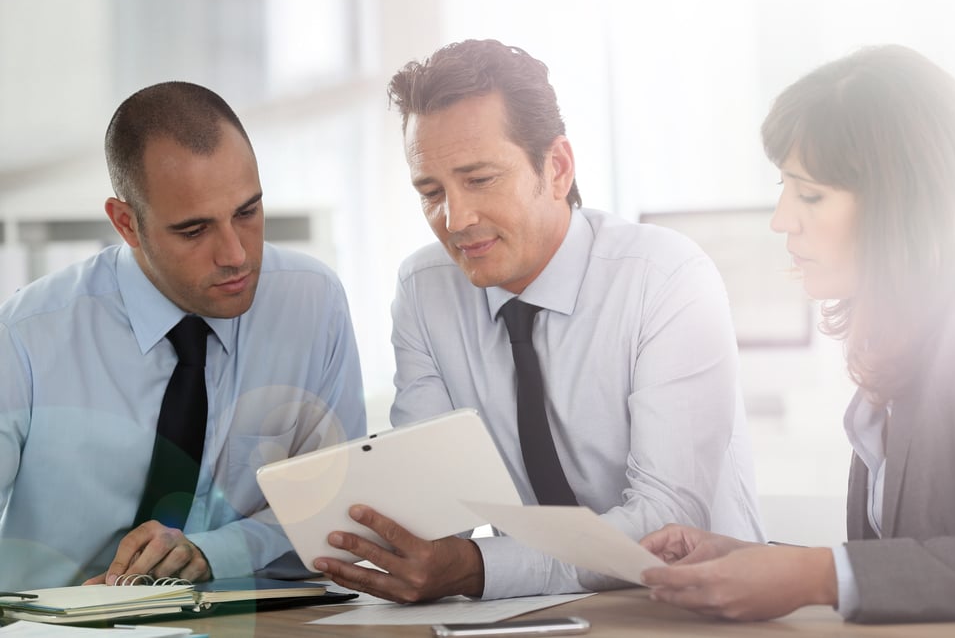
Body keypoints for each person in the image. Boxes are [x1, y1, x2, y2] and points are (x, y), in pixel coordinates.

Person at [314, 38, 763, 603]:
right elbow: (428, 506)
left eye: (479, 179)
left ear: (556, 168)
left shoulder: (666, 277)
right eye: (431, 191)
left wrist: (478, 568)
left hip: (691, 608)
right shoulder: (424, 290)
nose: (455, 219)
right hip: (531, 611)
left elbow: (666, 520)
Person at [640, 44, 955, 623]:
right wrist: (763, 564)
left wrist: (817, 575)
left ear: (904, 204)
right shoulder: (900, 349)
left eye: (809, 193)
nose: (782, 218)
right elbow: (919, 567)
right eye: (784, 187)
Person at [0, 81, 366, 590]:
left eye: (248, 212)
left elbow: (337, 506)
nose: (235, 254)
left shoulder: (311, 303)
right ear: (127, 224)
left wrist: (216, 552)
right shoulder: (25, 336)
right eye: (194, 231)